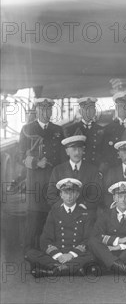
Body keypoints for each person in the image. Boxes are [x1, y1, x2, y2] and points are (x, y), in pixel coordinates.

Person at [19, 97, 66, 251]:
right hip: (35, 180)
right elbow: (19, 156)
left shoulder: (58, 130)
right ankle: (30, 251)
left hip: (54, 179)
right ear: (37, 111)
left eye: (49, 109)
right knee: (34, 218)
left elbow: (62, 157)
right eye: (43, 109)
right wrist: (35, 162)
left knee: (52, 216)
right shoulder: (27, 130)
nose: (46, 112)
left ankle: (49, 251)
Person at [24, 178, 95, 278]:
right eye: (66, 193)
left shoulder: (86, 214)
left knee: (94, 255)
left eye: (72, 193)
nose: (69, 196)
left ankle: (54, 270)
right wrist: (58, 255)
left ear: (77, 195)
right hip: (57, 254)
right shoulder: (53, 213)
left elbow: (88, 239)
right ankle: (71, 268)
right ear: (61, 195)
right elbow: (45, 239)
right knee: (30, 253)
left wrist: (70, 255)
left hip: (76, 254)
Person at [88, 181, 126, 275]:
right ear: (114, 198)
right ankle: (122, 268)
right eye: (120, 196)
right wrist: (119, 240)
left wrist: (119, 247)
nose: (123, 200)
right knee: (92, 241)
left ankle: (112, 266)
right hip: (108, 251)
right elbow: (96, 236)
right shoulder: (105, 214)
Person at [47, 135, 102, 218]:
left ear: (83, 150)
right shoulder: (58, 170)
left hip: (85, 214)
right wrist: (64, 206)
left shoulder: (93, 170)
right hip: (63, 214)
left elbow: (96, 194)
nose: (77, 153)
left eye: (80, 149)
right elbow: (51, 195)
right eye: (74, 149)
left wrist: (83, 206)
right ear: (67, 152)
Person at [64, 97, 103, 168]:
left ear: (94, 111)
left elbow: (103, 153)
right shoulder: (70, 130)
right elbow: (66, 153)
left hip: (95, 168)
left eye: (91, 108)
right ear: (80, 111)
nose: (88, 111)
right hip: (78, 169)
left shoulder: (101, 130)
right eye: (85, 109)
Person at [101, 92, 126, 173]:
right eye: (120, 106)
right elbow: (105, 151)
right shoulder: (108, 128)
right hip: (113, 168)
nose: (123, 109)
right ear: (116, 107)